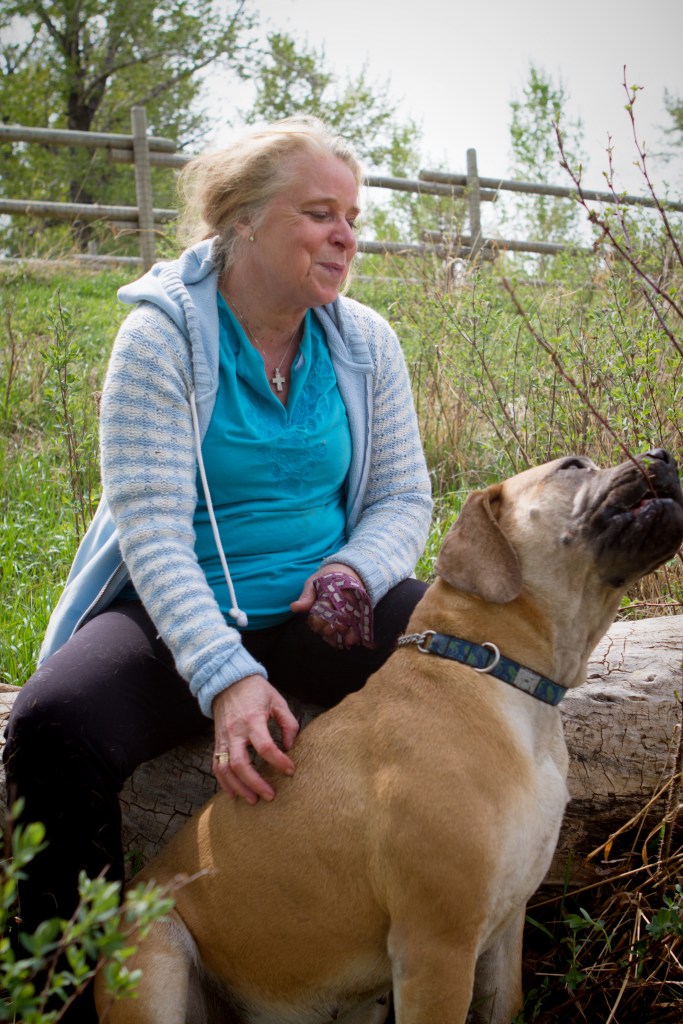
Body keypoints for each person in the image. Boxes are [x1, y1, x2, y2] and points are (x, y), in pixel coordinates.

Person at [3, 116, 433, 1021]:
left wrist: (355, 572)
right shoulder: (160, 338)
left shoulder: (365, 341)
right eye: (319, 212)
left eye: (351, 214)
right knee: (55, 725)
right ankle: (69, 995)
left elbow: (403, 498)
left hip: (323, 603)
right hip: (178, 606)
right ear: (240, 220)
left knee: (452, 661)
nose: (347, 234)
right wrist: (226, 676)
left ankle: (412, 938)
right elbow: (153, 529)